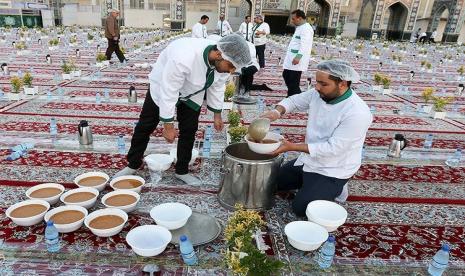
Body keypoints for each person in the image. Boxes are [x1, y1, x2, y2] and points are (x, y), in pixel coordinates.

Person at [114, 34, 251, 185]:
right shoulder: (184, 57)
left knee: (190, 128)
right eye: (231, 66)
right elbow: (169, 90)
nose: (231, 71)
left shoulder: (223, 61)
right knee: (146, 125)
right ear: (219, 54)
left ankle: (182, 170)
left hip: (193, 91)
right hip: (163, 86)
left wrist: (217, 114)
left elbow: (217, 86)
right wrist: (168, 125)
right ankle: (132, 164)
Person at [260, 60, 373, 216]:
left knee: (301, 209)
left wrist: (291, 146)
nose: (317, 87)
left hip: (333, 168)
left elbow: (333, 149)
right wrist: (277, 112)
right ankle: (310, 185)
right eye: (317, 82)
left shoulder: (358, 113)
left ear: (342, 84)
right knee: (268, 183)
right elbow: (294, 101)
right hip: (309, 159)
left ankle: (337, 187)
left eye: (323, 84)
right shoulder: (318, 94)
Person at [283, 9, 314, 97]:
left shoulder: (306, 29)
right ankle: (296, 96)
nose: (292, 21)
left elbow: (305, 45)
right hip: (292, 58)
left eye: (293, 19)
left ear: (299, 18)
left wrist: (298, 57)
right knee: (286, 75)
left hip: (297, 59)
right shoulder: (300, 28)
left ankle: (292, 97)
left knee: (293, 80)